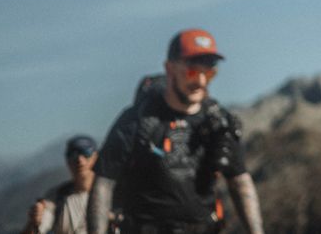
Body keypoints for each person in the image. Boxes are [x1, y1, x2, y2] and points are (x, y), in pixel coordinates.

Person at [86, 29, 264, 234]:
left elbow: (240, 182)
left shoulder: (219, 123)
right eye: (192, 71)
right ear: (169, 69)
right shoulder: (136, 120)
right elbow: (103, 183)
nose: (201, 81)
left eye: (209, 73)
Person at [22, 135, 99, 234]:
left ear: (95, 157)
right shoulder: (55, 197)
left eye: (86, 153)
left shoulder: (113, 194)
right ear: (67, 160)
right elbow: (39, 226)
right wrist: (34, 221)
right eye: (74, 154)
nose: (80, 160)